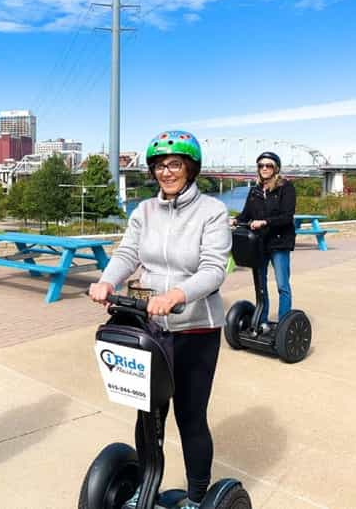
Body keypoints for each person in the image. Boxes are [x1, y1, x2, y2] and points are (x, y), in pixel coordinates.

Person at [89, 131, 231, 509]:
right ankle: (144, 490)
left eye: (174, 164)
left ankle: (197, 497)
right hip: (149, 328)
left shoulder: (212, 212)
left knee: (190, 416)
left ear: (190, 168)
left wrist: (176, 295)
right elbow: (127, 253)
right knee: (148, 415)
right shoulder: (145, 211)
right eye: (159, 166)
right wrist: (107, 279)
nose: (165, 172)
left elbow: (215, 269)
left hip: (195, 328)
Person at [232, 151, 296, 325]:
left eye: (269, 165)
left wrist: (264, 222)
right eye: (261, 165)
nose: (265, 168)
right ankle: (262, 321)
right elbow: (246, 214)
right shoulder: (255, 191)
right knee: (261, 285)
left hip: (279, 242)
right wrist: (236, 220)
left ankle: (284, 324)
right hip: (259, 244)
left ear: (276, 168)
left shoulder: (286, 188)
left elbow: (287, 216)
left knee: (282, 285)